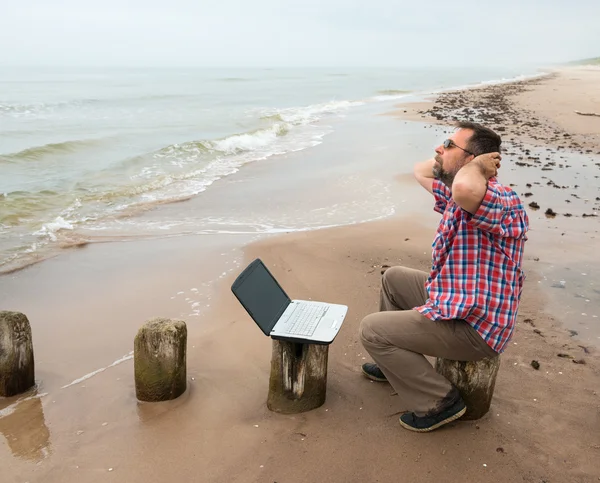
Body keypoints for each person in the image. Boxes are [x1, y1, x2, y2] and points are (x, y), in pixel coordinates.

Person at [359, 121, 529, 432]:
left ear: (472, 160)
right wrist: (453, 157)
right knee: (394, 278)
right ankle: (394, 365)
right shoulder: (459, 191)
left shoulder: (498, 198)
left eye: (448, 145)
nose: (439, 148)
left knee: (372, 330)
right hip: (458, 302)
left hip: (477, 328)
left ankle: (439, 402)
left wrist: (476, 164)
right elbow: (421, 171)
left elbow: (466, 188)